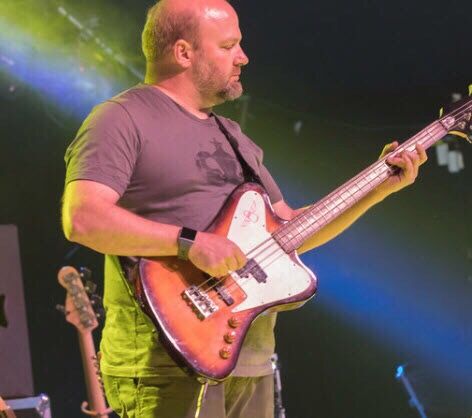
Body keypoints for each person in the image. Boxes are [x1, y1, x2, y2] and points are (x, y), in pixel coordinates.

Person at [61, 0, 427, 417]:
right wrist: (189, 243)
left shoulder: (232, 135)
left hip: (248, 360)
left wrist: (377, 188)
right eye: (228, 46)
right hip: (165, 362)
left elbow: (288, 231)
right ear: (183, 52)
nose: (243, 57)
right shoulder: (121, 118)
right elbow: (83, 218)